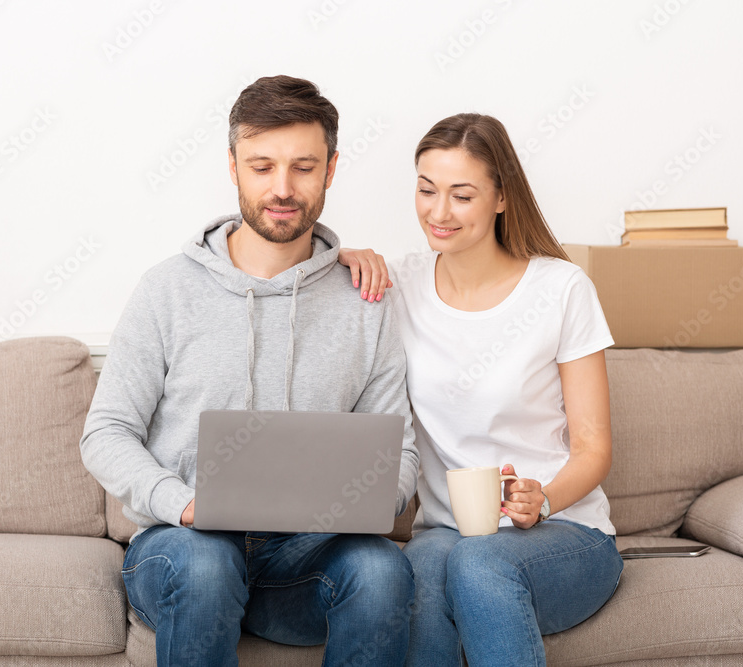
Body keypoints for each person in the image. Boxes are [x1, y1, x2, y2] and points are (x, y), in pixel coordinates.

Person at [80, 75, 419, 667]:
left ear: (331, 170)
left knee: (381, 568)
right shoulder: (167, 290)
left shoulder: (366, 298)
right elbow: (105, 433)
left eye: (303, 167)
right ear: (233, 167)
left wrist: (369, 500)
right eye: (262, 166)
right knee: (207, 563)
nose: (282, 189)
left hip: (307, 556)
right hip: (182, 551)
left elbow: (402, 451)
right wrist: (183, 504)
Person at [340, 113, 624, 666]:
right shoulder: (398, 288)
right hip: (446, 532)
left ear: (500, 197)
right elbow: (304, 278)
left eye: (461, 196)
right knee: (415, 573)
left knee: (479, 563)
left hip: (565, 531)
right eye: (426, 190)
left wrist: (542, 500)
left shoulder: (562, 289)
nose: (438, 212)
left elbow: (594, 447)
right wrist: (341, 255)